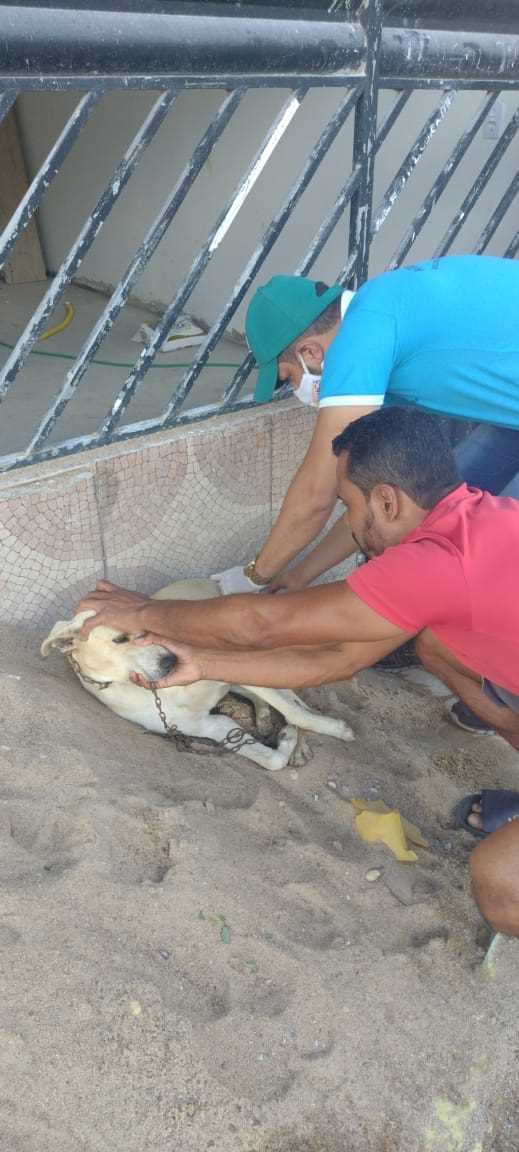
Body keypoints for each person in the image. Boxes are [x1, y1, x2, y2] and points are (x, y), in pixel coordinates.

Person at [77, 408, 519, 936]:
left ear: (386, 501)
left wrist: (143, 614)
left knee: (499, 881)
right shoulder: (484, 517)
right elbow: (339, 659)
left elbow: (261, 624)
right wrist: (204, 664)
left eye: (349, 508)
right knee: (436, 645)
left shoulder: (432, 566)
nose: (353, 528)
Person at [213, 254, 519, 734]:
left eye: (289, 377)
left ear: (311, 352)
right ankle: (490, 686)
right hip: (510, 418)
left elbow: (319, 491)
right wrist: (301, 575)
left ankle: (500, 688)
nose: (298, 388)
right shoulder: (387, 327)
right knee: (445, 518)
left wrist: (254, 576)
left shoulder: (363, 335)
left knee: (481, 554)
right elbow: (370, 502)